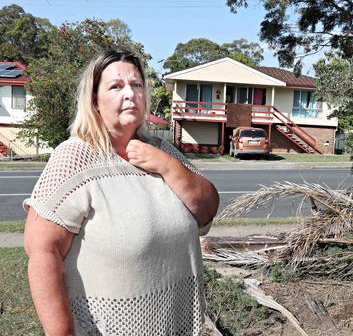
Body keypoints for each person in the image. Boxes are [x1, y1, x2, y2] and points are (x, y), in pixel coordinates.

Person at [23, 49, 220, 335]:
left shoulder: (163, 151)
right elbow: (42, 251)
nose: (130, 94)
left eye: (136, 85)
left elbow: (208, 208)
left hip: (176, 325)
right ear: (94, 101)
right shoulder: (76, 156)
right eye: (116, 86)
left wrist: (167, 167)